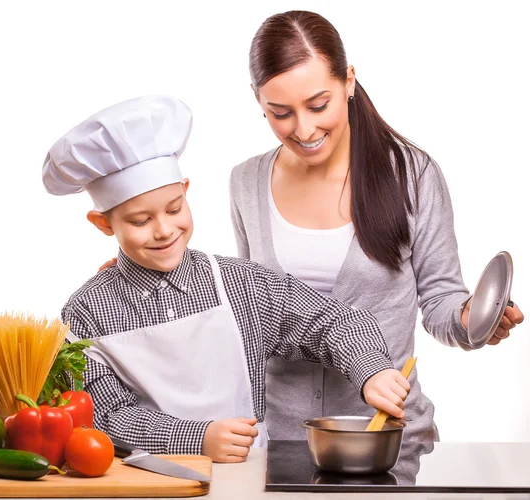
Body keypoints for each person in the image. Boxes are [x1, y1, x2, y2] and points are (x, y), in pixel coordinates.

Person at [42, 95, 410, 463]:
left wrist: (371, 369)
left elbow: (331, 321)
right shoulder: (86, 311)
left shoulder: (242, 285)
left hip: (246, 480)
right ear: (103, 223)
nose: (164, 230)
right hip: (149, 484)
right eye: (140, 221)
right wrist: (195, 438)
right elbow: (103, 415)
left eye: (174, 209)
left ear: (186, 191)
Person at [229, 10, 525, 443]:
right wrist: (143, 281)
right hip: (279, 441)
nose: (304, 128)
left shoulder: (412, 174)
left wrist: (471, 318)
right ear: (258, 101)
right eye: (280, 113)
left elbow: (441, 300)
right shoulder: (245, 182)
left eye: (318, 105)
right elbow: (251, 308)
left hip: (385, 435)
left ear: (348, 81)